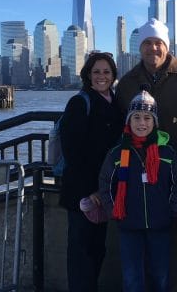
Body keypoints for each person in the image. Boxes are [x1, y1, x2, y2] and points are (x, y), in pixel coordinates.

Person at [116, 17, 177, 290]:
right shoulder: (128, 81)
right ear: (139, 47)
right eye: (146, 43)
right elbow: (118, 125)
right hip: (135, 178)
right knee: (137, 257)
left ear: (166, 46)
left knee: (176, 246)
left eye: (158, 43)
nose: (152, 48)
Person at [98, 90, 177, 292]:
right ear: (129, 121)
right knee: (132, 278)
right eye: (136, 118)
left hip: (160, 224)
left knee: (160, 276)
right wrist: (113, 210)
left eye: (147, 118)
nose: (141, 123)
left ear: (154, 122)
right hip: (128, 224)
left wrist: (174, 208)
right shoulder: (117, 153)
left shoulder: (167, 152)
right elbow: (105, 184)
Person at [58, 52, 124, 292]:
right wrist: (91, 191)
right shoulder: (79, 102)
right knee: (81, 250)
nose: (101, 76)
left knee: (98, 248)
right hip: (82, 192)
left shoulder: (115, 103)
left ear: (114, 75)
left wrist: (104, 189)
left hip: (104, 189)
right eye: (96, 71)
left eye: (106, 72)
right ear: (87, 74)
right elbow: (72, 152)